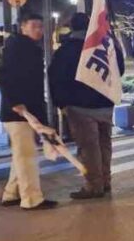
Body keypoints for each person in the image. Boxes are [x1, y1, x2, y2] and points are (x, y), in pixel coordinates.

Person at [48, 12, 125, 200]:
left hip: (79, 106)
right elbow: (119, 69)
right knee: (104, 144)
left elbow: (56, 78)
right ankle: (105, 181)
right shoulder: (105, 46)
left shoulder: (67, 50)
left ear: (72, 28)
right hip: (105, 103)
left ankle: (93, 186)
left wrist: (61, 103)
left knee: (88, 147)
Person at [0, 13, 57, 210]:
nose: (39, 30)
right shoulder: (16, 47)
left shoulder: (29, 48)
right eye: (34, 26)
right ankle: (31, 199)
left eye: (41, 26)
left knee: (21, 155)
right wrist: (15, 102)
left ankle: (11, 193)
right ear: (23, 27)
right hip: (18, 112)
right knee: (26, 157)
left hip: (27, 111)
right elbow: (4, 76)